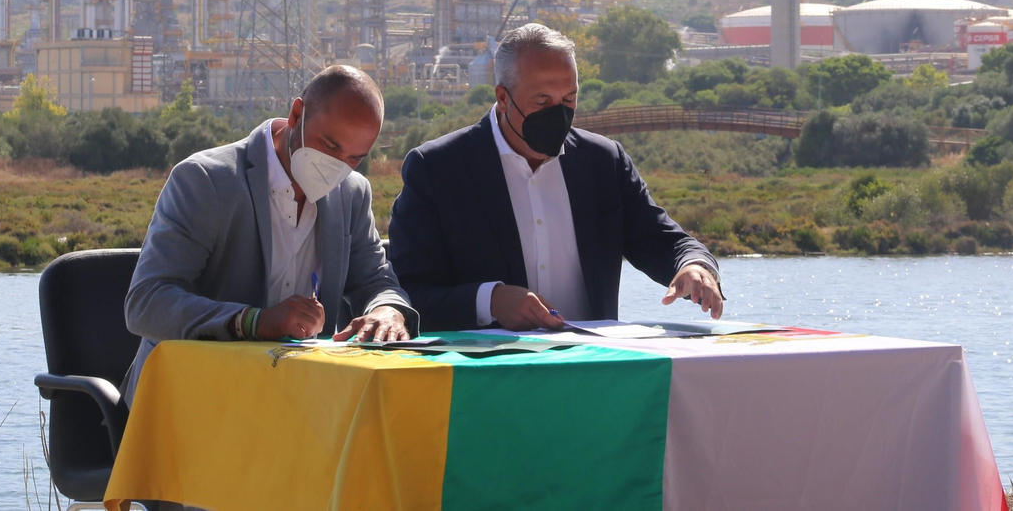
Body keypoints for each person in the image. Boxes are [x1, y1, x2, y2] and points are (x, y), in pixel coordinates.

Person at [387, 23, 723, 332]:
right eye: (542, 100)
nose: (558, 113)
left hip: (592, 367)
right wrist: (490, 301)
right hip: (487, 371)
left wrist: (694, 266)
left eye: (569, 99)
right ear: (503, 98)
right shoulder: (436, 168)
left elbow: (662, 240)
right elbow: (406, 293)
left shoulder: (603, 161)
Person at [122, 66, 415, 404]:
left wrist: (388, 310)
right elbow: (146, 302)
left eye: (354, 158)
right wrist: (254, 322)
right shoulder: (205, 180)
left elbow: (375, 281)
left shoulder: (352, 192)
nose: (337, 166)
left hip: (300, 403)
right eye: (329, 145)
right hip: (191, 400)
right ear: (296, 115)